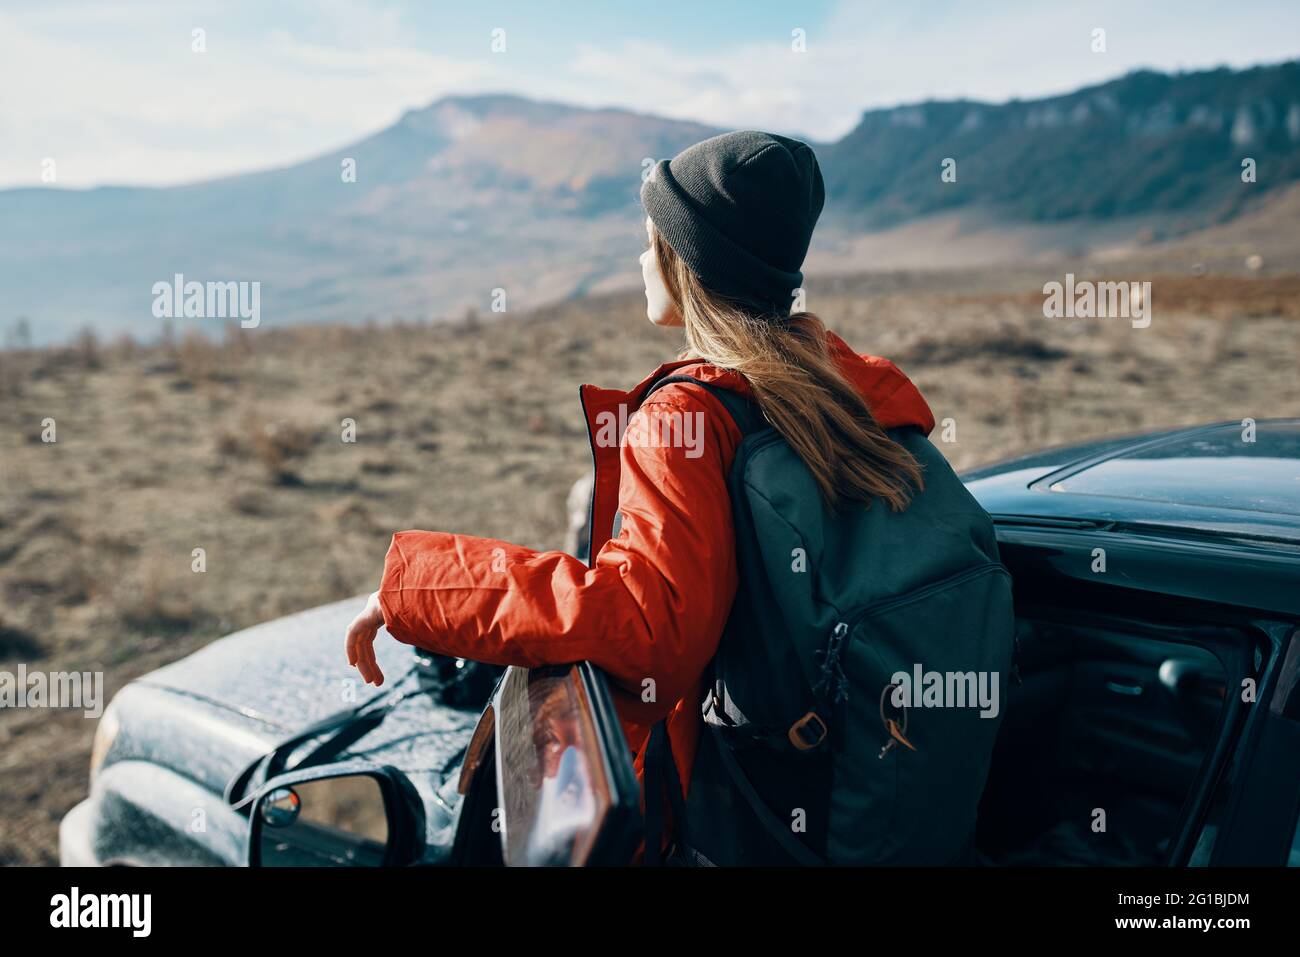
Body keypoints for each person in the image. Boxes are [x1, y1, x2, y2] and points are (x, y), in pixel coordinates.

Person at [346, 131, 974, 863]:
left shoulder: (688, 417)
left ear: (687, 261)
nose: (642, 258)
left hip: (748, 817)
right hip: (844, 788)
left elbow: (648, 630)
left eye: (653, 240)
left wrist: (417, 587)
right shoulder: (849, 392)